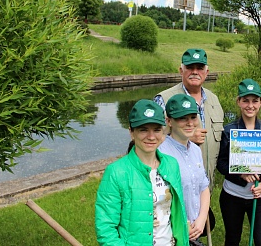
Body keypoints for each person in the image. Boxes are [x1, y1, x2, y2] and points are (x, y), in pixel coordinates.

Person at [95, 99, 189, 246]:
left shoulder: (171, 165)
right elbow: (105, 229)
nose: (151, 136)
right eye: (143, 129)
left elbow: (177, 214)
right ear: (131, 132)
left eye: (157, 129)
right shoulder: (116, 172)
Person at [216, 78, 261, 246]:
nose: (250, 105)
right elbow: (221, 163)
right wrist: (240, 174)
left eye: (255, 101)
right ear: (239, 102)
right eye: (246, 101)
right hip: (232, 196)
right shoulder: (229, 131)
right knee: (232, 239)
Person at [154, 48, 224, 189]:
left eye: (200, 68)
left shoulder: (214, 100)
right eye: (190, 67)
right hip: (174, 187)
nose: (195, 72)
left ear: (206, 72)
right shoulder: (164, 99)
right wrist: (184, 139)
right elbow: (150, 141)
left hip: (205, 185)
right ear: (181, 70)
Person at [159, 94, 210, 245]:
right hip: (172, 232)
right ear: (169, 121)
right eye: (182, 118)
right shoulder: (161, 154)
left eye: (193, 117)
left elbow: (203, 187)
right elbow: (161, 199)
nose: (189, 123)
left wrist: (201, 219)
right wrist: (183, 224)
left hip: (195, 230)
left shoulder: (195, 150)